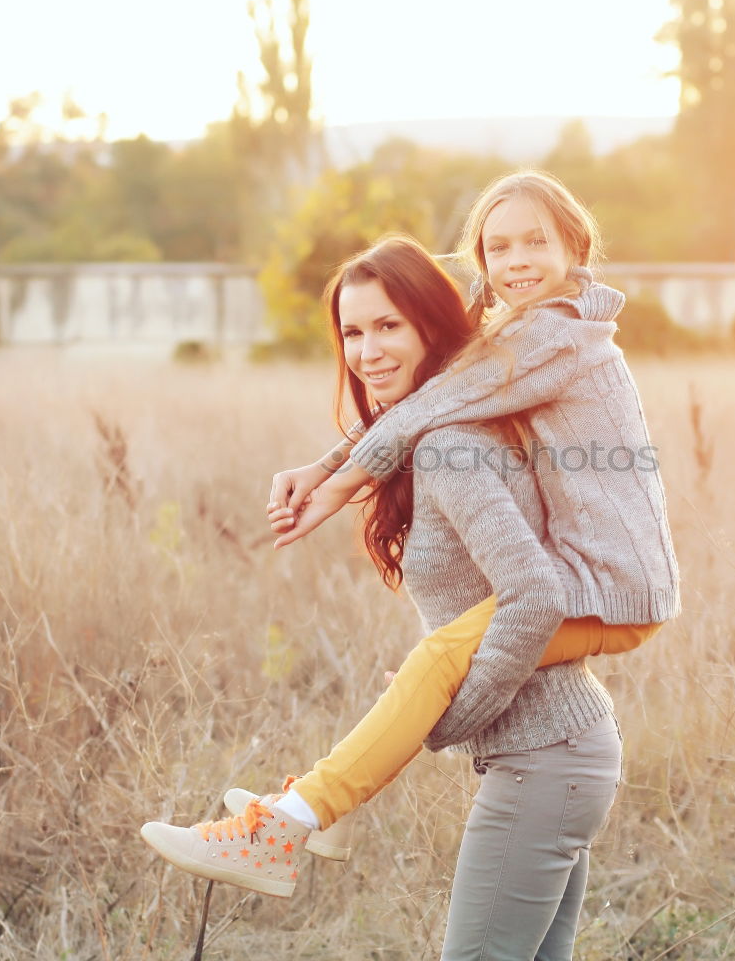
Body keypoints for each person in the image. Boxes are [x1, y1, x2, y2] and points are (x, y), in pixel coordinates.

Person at [143, 172, 679, 955]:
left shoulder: (542, 353)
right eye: (352, 333)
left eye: (388, 326)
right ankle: (311, 811)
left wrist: (437, 723)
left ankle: (290, 822)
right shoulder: (495, 365)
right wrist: (331, 470)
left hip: (566, 705)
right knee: (433, 668)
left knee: (433, 666)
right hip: (560, 750)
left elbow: (523, 585)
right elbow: (431, 380)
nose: (365, 351)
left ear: (578, 247)